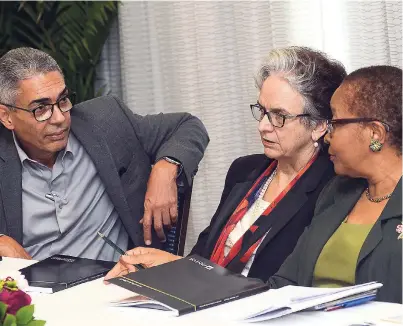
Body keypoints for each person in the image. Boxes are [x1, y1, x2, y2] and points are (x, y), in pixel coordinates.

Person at [105, 46, 347, 281]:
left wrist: (177, 268)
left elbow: (291, 283)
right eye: (262, 111)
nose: (263, 125)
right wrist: (164, 268)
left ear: (319, 126)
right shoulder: (244, 171)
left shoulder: (332, 189)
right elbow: (202, 257)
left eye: (279, 116)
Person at [0, 47, 209, 261]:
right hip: (35, 292)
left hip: (116, 286)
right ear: (6, 116)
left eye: (62, 101)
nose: (60, 118)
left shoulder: (106, 122)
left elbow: (188, 126)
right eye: (41, 109)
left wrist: (166, 169)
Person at [268, 65, 402, 303]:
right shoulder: (336, 192)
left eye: (335, 124)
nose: (327, 136)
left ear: (375, 133)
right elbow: (286, 283)